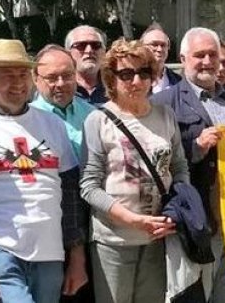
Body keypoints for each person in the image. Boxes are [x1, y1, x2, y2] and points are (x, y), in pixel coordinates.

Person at [0, 38, 87, 303]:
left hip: (50, 252)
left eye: (23, 74)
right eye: (7, 76)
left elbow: (70, 197)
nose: (18, 83)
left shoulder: (52, 126)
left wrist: (77, 257)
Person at [150, 27, 225, 303]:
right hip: (195, 221)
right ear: (183, 58)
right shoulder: (163, 104)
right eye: (200, 55)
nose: (208, 61)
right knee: (193, 296)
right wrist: (196, 147)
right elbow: (155, 164)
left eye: (213, 54)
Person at [80, 40, 195, 303]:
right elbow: (89, 185)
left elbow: (179, 167)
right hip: (113, 240)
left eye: (144, 73)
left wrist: (176, 208)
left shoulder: (166, 116)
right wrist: (131, 219)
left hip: (157, 237)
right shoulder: (97, 120)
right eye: (126, 74)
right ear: (111, 78)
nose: (136, 81)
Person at [32, 45, 98, 165]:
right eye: (51, 78)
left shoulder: (93, 115)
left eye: (67, 76)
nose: (61, 83)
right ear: (36, 79)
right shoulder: (27, 119)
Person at [67, 25, 109, 104]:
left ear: (104, 52)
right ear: (68, 53)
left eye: (96, 45)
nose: (89, 50)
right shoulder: (60, 89)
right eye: (81, 46)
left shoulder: (116, 88)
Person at [141, 24, 184, 93]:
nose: (159, 49)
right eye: (154, 44)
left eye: (163, 45)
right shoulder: (132, 79)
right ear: (142, 47)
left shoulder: (179, 82)